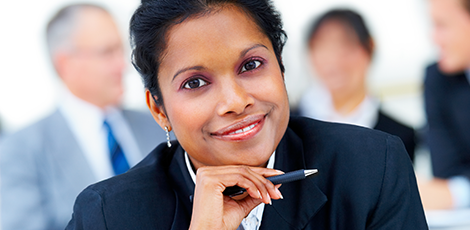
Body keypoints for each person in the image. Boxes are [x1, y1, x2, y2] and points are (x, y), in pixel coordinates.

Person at [66, 0, 427, 229]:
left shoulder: (372, 167)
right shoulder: (108, 215)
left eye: (251, 65)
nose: (235, 101)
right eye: (195, 83)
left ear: (281, 67)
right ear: (159, 109)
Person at [0, 4, 166, 230]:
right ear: (66, 63)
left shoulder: (159, 122)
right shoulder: (21, 150)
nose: (123, 66)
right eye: (107, 52)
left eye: (122, 51)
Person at [295, 9, 416, 161]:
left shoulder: (398, 137)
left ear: (370, 47)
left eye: (345, 46)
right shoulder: (287, 124)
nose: (333, 60)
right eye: (321, 46)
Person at [420, 0, 470, 210]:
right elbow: (446, 172)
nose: (434, 38)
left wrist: (458, 193)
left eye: (442, 25)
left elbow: (448, 191)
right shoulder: (438, 79)